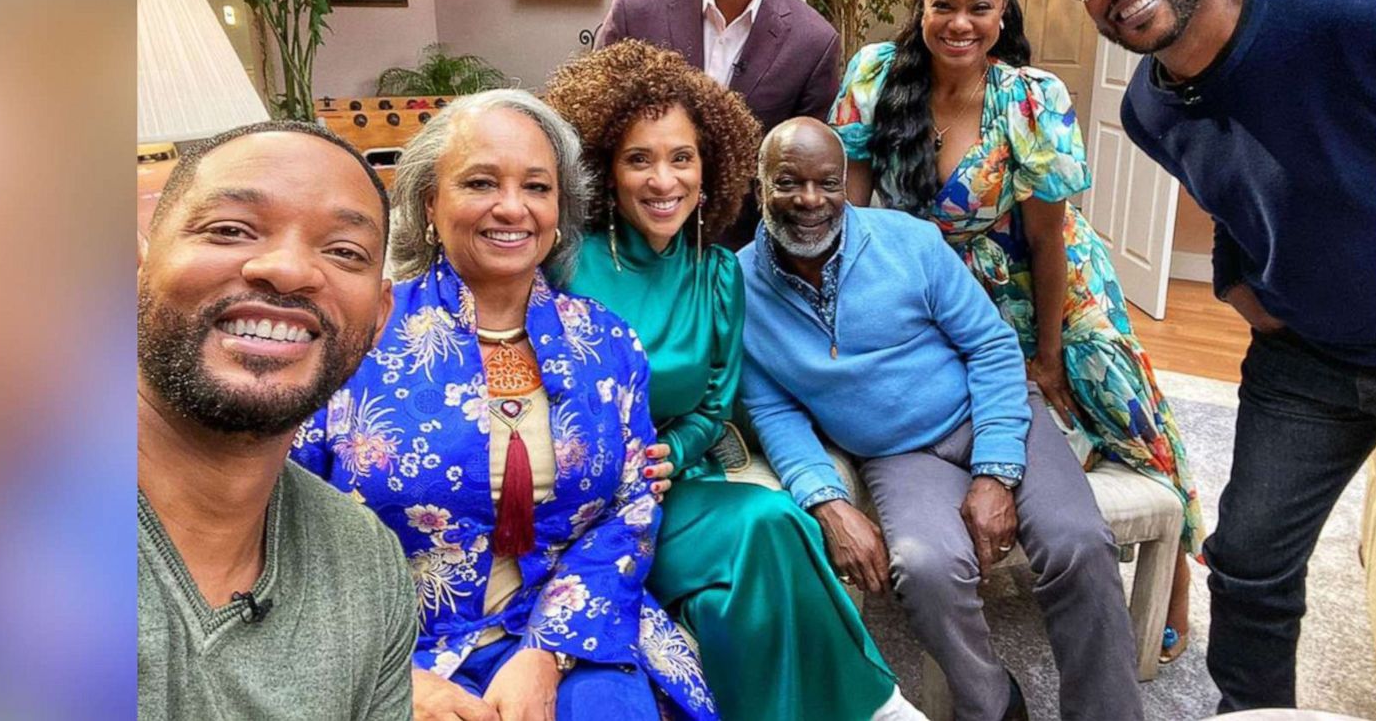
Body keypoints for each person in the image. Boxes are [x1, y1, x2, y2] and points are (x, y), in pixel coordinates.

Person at [1062, 0, 1376, 712]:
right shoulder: (1146, 109)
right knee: (1246, 561)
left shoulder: (1351, 5)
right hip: (1309, 361)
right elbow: (1229, 199)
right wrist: (1238, 284)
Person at [830, 0, 1203, 661]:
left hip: (1038, 279)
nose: (959, 24)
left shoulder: (1031, 98)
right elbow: (851, 218)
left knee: (1114, 396)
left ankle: (1178, 568)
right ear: (922, 8)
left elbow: (1047, 240)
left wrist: (1051, 355)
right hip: (926, 285)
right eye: (944, 5)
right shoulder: (875, 75)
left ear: (1003, 15)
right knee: (937, 406)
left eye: (980, 8)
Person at [291, 91, 718, 721]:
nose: (512, 208)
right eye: (481, 182)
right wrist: (399, 679)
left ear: (558, 208)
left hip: (572, 636)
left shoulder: (606, 341)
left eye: (537, 188)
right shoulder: (359, 333)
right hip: (396, 650)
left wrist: (545, 654)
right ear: (429, 202)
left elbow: (631, 505)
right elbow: (287, 522)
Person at [549, 42, 921, 721]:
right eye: (640, 159)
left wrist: (678, 453)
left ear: (709, 167)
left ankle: (878, 707)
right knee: (756, 554)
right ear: (606, 167)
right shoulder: (566, 266)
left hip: (674, 491)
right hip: (579, 510)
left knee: (773, 522)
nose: (664, 181)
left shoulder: (720, 274)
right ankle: (882, 707)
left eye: (680, 158)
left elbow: (714, 404)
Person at [739, 117, 1145, 721]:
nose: (809, 200)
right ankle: (993, 705)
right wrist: (826, 501)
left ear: (845, 182)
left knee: (1078, 544)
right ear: (759, 186)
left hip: (985, 414)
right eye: (788, 183)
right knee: (926, 568)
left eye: (828, 183)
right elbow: (773, 407)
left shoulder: (910, 242)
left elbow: (992, 346)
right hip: (897, 455)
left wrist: (996, 472)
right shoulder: (739, 286)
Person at [137, 121, 414, 720]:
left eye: (344, 251)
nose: (287, 270)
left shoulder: (365, 563)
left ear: (379, 316)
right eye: (230, 230)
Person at [597, 0, 840, 247]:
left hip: (737, 258)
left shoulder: (813, 43)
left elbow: (801, 176)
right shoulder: (635, 8)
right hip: (629, 248)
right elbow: (595, 133)